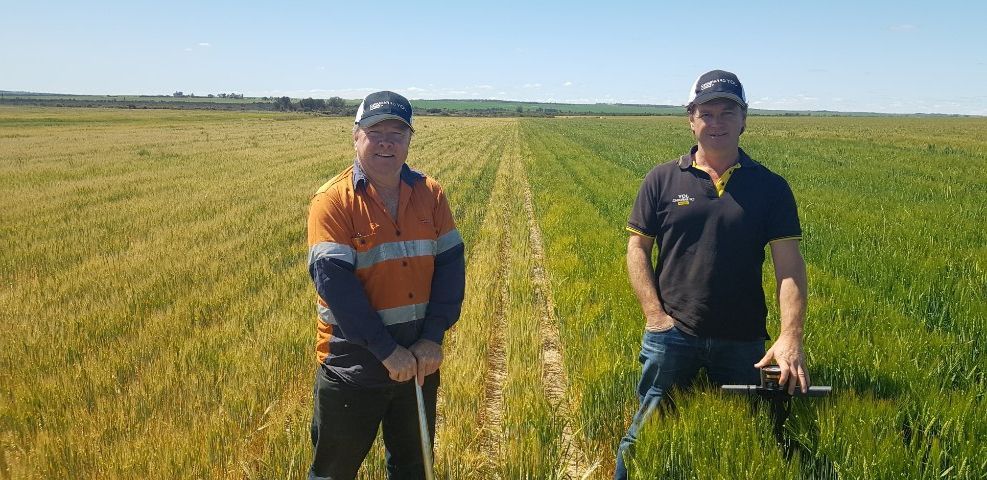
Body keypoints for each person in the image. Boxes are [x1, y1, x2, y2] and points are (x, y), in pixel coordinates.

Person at [614, 70, 809, 478]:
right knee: (643, 438)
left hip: (744, 341)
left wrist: (790, 336)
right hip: (672, 335)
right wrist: (655, 317)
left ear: (744, 119)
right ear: (691, 119)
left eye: (727, 112)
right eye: (706, 113)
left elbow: (789, 267)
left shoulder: (771, 188)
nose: (716, 122)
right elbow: (637, 250)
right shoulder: (662, 179)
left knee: (751, 442)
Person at [306, 91, 466, 479]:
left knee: (414, 469)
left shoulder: (431, 193)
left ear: (410, 139)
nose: (386, 143)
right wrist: (386, 351)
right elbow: (337, 288)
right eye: (376, 132)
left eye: (397, 133)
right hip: (353, 367)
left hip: (418, 362)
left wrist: (432, 338)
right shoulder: (332, 202)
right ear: (355, 136)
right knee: (333, 472)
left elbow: (450, 268)